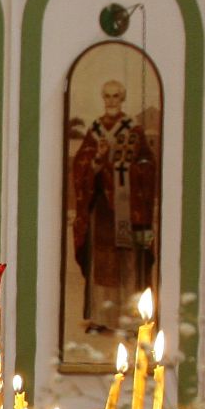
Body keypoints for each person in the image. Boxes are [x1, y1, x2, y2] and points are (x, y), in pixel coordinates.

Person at [69, 79, 158, 332]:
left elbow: (148, 166)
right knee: (102, 266)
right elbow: (81, 166)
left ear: (122, 99)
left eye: (115, 96)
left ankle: (128, 319)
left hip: (127, 211)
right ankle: (101, 318)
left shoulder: (133, 131)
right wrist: (97, 159)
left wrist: (126, 169)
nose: (111, 101)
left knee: (127, 264)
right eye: (107, 96)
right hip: (102, 212)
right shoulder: (95, 131)